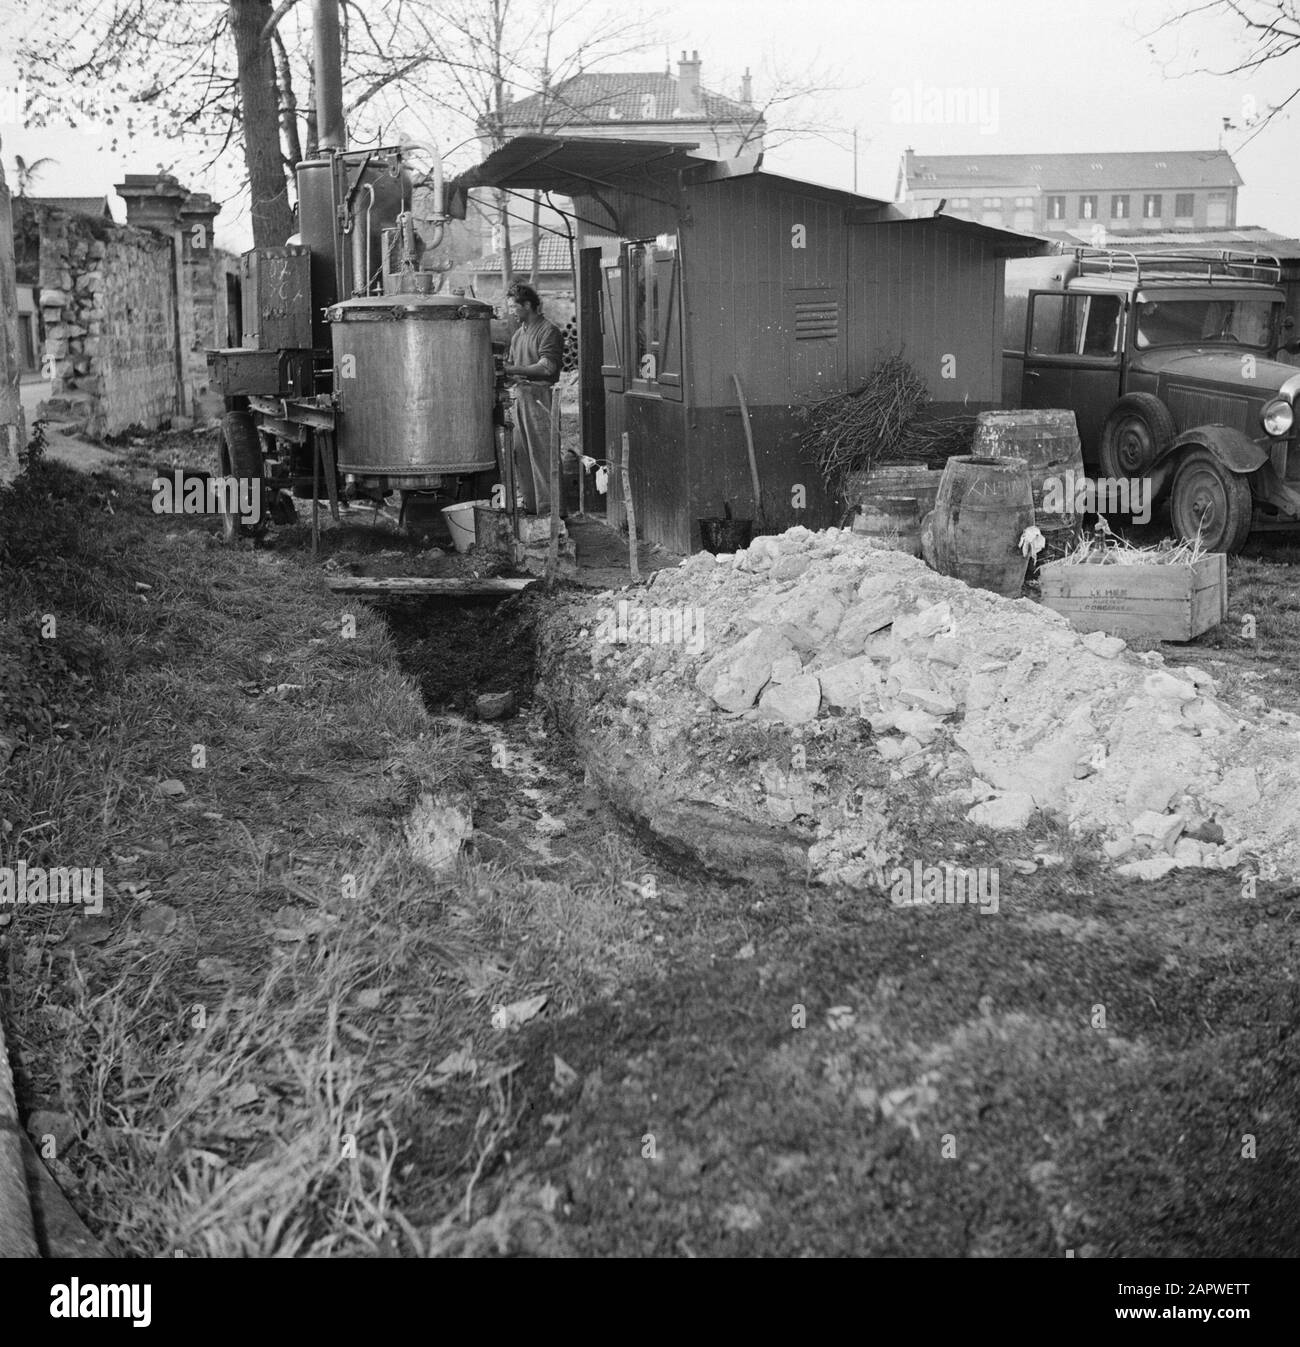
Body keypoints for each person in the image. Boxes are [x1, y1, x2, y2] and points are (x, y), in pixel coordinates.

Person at [503, 283, 565, 516]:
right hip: (520, 397)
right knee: (522, 455)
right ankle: (533, 506)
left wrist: (511, 370)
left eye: (513, 306)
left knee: (543, 454)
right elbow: (511, 367)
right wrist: (507, 373)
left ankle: (552, 511)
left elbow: (547, 367)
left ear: (527, 305)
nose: (511, 311)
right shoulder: (519, 334)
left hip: (540, 397)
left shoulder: (549, 330)